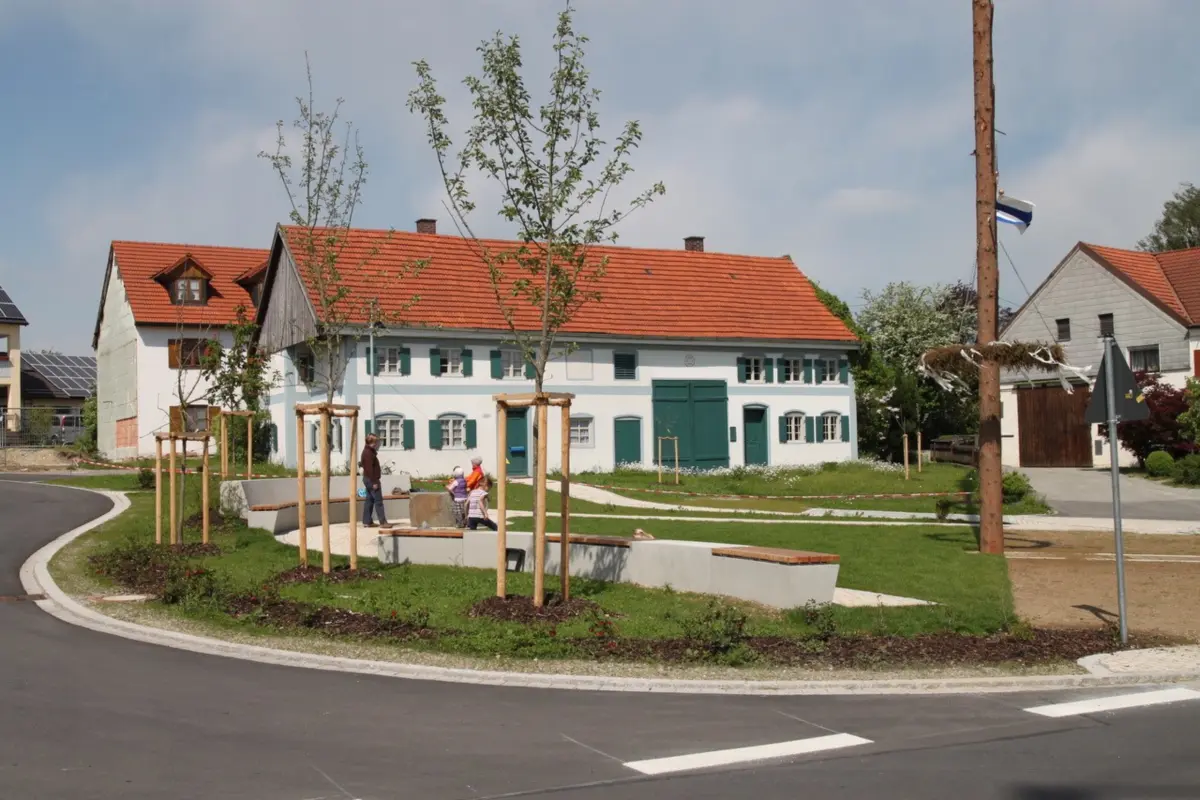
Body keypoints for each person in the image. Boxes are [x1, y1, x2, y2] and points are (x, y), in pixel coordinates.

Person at [360, 433, 389, 528]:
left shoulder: (368, 451)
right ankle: (383, 522)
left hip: (368, 479)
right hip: (371, 480)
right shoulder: (368, 453)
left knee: (369, 500)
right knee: (378, 501)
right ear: (373, 442)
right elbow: (369, 469)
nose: (378, 444)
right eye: (376, 442)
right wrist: (375, 482)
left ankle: (367, 521)